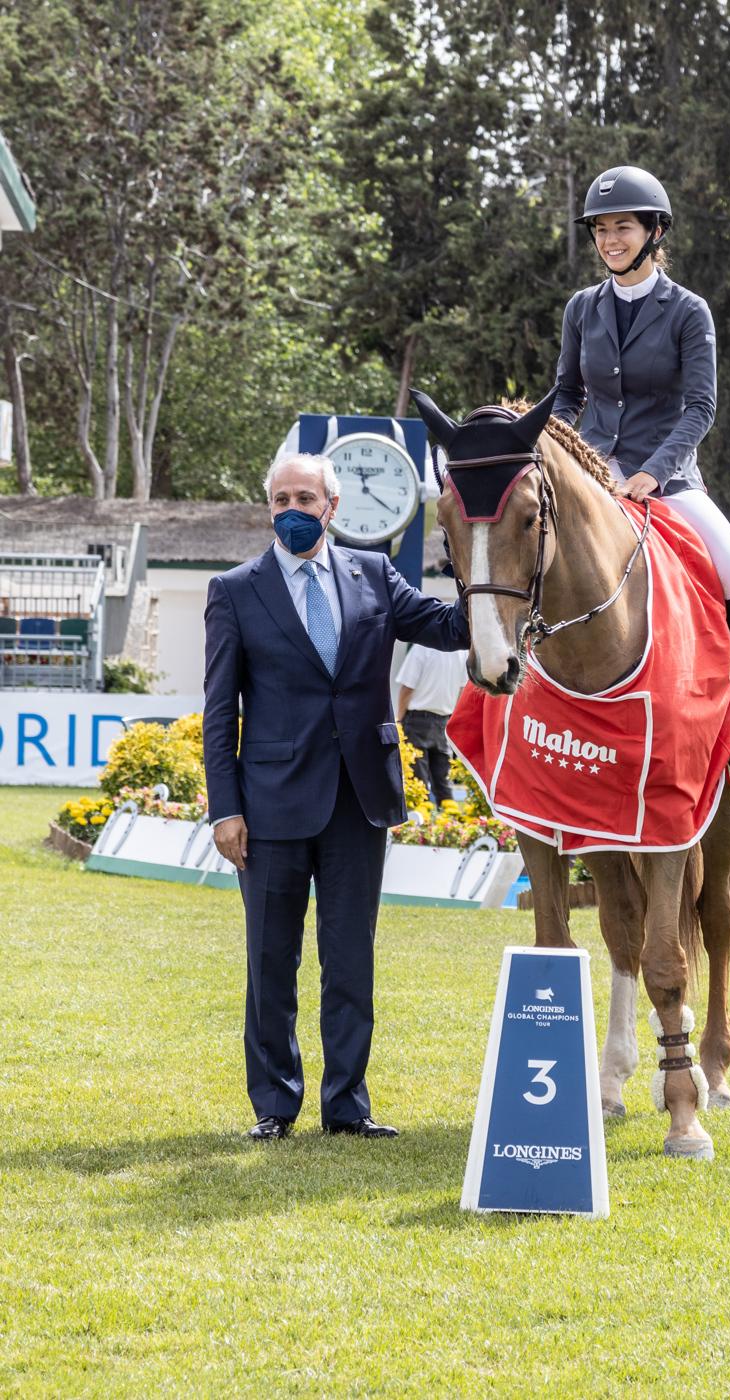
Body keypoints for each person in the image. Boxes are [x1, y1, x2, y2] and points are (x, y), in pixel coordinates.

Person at [203, 452, 469, 1142]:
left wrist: (491, 577)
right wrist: (224, 809)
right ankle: (274, 1104)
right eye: (280, 498)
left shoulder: (375, 573)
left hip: (358, 801)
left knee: (350, 960)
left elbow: (446, 627)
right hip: (269, 805)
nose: (292, 509)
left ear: (333, 504)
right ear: (269, 506)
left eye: (305, 497)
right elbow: (217, 711)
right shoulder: (234, 589)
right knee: (271, 962)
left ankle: (347, 1105)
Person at [554, 164, 730, 768]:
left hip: (668, 479)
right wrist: (559, 452)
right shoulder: (581, 308)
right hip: (594, 475)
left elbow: (701, 407)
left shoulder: (688, 311)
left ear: (653, 232)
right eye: (599, 230)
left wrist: (652, 472)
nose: (609, 241)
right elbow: (567, 395)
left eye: (622, 227)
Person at [395, 643, 468, 805]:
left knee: (417, 778)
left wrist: (399, 718)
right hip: (444, 719)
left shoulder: (421, 648)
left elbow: (407, 687)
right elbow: (462, 689)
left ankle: (421, 819)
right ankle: (449, 822)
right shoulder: (462, 652)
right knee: (443, 777)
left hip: (417, 719)